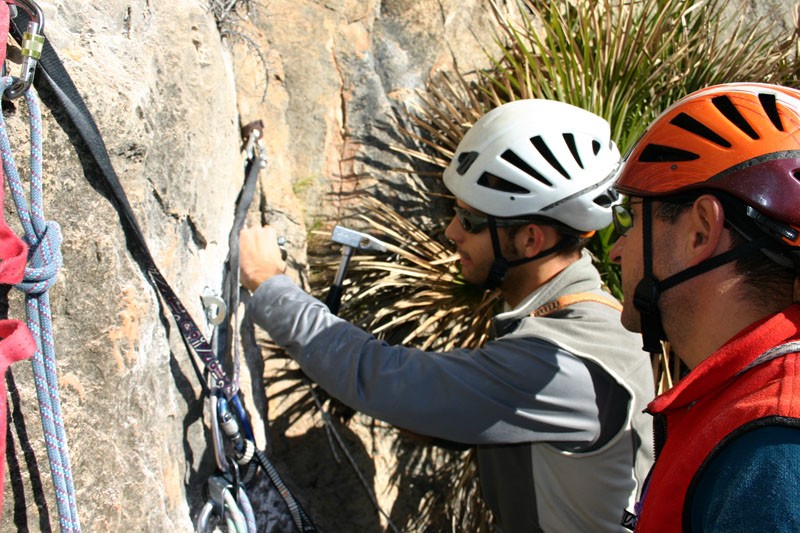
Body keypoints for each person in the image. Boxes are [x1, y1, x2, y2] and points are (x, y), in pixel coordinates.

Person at [240, 99, 654, 532]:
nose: (451, 231)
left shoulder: (561, 367)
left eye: (470, 220)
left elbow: (379, 377)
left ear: (530, 240)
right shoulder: (583, 317)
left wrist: (269, 284)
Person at [609, 82, 800, 532]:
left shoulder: (770, 450)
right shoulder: (747, 406)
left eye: (632, 218)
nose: (616, 251)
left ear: (700, 231)